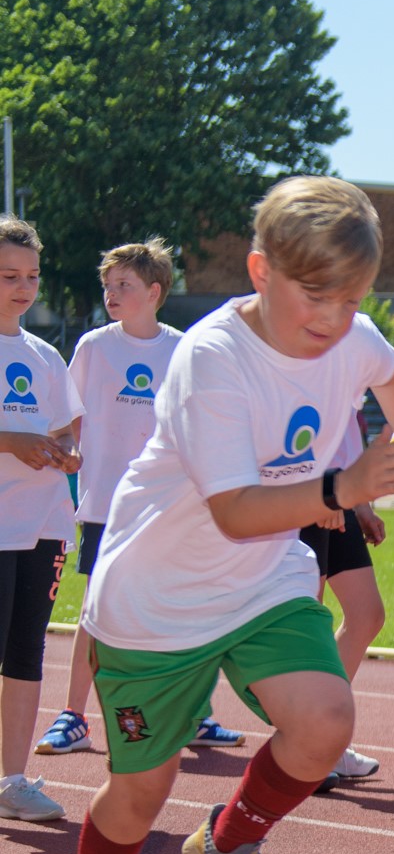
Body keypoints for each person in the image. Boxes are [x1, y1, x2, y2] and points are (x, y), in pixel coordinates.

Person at [54, 176, 394, 854]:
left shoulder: (348, 329)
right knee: (140, 791)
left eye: (352, 299)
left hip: (264, 578)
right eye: (316, 295)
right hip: (158, 596)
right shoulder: (212, 360)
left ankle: (231, 843)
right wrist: (346, 486)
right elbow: (234, 510)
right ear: (260, 269)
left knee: (325, 721)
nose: (335, 319)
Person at [39, 239, 243, 758]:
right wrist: (69, 457)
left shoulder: (183, 349)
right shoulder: (93, 347)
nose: (111, 293)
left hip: (173, 508)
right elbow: (68, 419)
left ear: (153, 292)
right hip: (109, 505)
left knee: (183, 611)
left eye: (123, 285)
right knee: (96, 610)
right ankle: (74, 717)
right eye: (108, 286)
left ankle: (193, 714)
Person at [0, 216, 82, 825]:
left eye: (31, 275)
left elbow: (63, 426)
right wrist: (12, 441)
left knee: (26, 652)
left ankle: (13, 780)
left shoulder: (45, 355)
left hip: (45, 521)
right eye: (8, 275)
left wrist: (61, 450)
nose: (22, 287)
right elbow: (18, 434)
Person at [301, 405, 389, 791]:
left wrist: (361, 504)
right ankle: (306, 746)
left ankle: (325, 741)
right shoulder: (313, 350)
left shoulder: (354, 351)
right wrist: (322, 491)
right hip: (304, 489)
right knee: (308, 624)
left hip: (340, 492)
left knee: (367, 614)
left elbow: (346, 429)